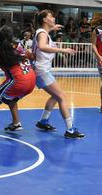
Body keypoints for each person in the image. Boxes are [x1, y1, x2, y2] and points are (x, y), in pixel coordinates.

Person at [33, 9, 85, 139]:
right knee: (61, 97)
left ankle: (43, 121)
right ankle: (70, 130)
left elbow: (43, 37)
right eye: (51, 16)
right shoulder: (42, 33)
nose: (54, 18)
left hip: (42, 70)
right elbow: (42, 46)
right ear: (45, 20)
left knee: (56, 96)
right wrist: (63, 50)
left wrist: (51, 29)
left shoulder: (43, 32)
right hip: (42, 70)